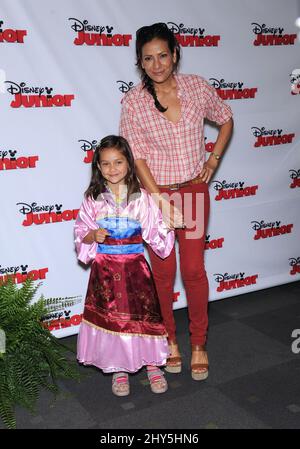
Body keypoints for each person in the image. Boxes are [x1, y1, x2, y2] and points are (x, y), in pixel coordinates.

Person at [119, 22, 233, 381]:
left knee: (195, 270)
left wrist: (213, 160)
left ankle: (198, 342)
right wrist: (160, 201)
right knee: (163, 276)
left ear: (175, 54)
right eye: (148, 59)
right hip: (157, 196)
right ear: (140, 62)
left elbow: (226, 118)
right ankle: (170, 341)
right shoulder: (134, 101)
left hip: (194, 191)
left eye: (163, 56)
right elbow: (136, 158)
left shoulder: (197, 87)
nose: (157, 65)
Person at [74, 135, 174, 396]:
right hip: (105, 272)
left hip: (135, 270)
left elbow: (155, 230)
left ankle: (153, 365)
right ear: (97, 166)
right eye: (105, 163)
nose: (112, 168)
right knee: (113, 320)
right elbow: (81, 231)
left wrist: (169, 226)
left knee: (142, 317)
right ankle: (118, 368)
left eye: (118, 162)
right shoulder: (93, 198)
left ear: (129, 163)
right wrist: (92, 235)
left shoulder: (141, 197)